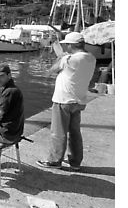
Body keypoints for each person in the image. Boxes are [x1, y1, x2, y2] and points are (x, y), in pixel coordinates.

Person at [37, 32, 96, 171]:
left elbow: (50, 71)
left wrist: (61, 56)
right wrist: (60, 51)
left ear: (71, 45)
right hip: (79, 100)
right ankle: (75, 162)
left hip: (63, 100)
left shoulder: (70, 59)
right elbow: (63, 58)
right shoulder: (91, 58)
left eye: (67, 45)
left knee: (58, 132)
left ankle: (54, 160)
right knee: (75, 132)